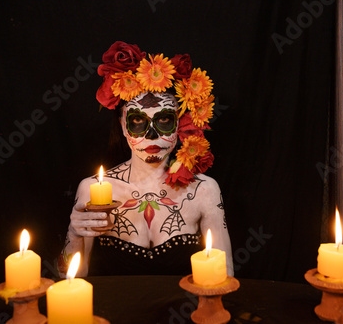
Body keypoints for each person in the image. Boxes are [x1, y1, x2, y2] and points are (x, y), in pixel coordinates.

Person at [59, 41, 233, 277]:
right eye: (138, 121)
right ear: (122, 125)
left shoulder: (204, 191)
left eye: (164, 121)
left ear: (181, 124)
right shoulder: (92, 190)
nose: (152, 135)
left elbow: (224, 276)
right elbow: (68, 281)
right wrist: (74, 233)